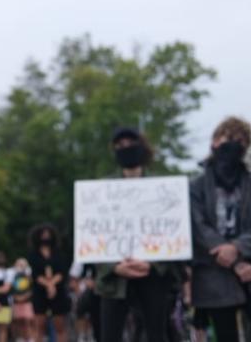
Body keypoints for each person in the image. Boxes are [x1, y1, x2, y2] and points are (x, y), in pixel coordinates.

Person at [189, 117, 251, 342]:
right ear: (214, 142)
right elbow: (198, 228)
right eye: (229, 138)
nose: (234, 145)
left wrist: (238, 248)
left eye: (241, 141)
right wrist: (234, 260)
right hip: (214, 272)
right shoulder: (196, 187)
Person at [97, 128, 184, 342]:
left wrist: (153, 264)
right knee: (109, 335)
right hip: (115, 279)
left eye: (130, 143)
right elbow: (92, 238)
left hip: (153, 276)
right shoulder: (101, 190)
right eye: (120, 144)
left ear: (142, 147)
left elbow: (174, 235)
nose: (125, 148)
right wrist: (114, 267)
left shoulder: (163, 188)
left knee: (157, 333)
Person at [28, 225, 70, 342]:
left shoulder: (58, 253)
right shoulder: (33, 254)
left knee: (60, 325)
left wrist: (52, 284)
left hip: (58, 290)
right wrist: (48, 285)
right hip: (39, 291)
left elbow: (62, 271)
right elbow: (35, 274)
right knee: (39, 325)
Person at [11, 258, 36, 342]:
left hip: (27, 302)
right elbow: (10, 288)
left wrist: (25, 296)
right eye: (18, 264)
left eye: (22, 265)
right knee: (18, 321)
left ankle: (31, 339)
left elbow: (33, 288)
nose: (20, 266)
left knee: (28, 321)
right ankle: (21, 339)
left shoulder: (29, 276)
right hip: (16, 301)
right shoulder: (12, 275)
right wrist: (16, 297)